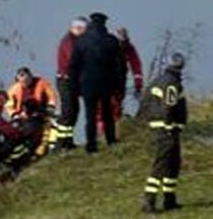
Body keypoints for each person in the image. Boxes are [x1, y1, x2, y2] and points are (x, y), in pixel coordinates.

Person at [69, 12, 125, 153]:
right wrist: (119, 85)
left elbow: (73, 66)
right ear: (104, 23)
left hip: (87, 84)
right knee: (108, 113)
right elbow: (120, 66)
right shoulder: (111, 41)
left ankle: (91, 145)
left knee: (90, 115)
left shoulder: (81, 41)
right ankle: (111, 140)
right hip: (107, 83)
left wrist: (74, 87)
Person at [139, 53, 188, 214]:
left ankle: (169, 198)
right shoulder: (172, 84)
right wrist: (169, 127)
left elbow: (146, 102)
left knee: (173, 163)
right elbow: (169, 107)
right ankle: (149, 200)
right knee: (162, 164)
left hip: (160, 125)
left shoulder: (159, 80)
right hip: (167, 129)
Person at [98, 27, 144, 138]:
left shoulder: (128, 48)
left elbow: (136, 64)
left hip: (119, 84)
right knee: (101, 111)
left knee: (116, 110)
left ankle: (113, 135)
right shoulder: (103, 47)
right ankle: (101, 136)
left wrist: (138, 82)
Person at [51, 17, 88, 151]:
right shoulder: (69, 42)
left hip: (73, 80)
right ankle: (60, 143)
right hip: (66, 80)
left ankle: (68, 141)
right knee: (68, 111)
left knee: (74, 110)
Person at [6, 67, 57, 158]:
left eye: (26, 80)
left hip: (41, 112)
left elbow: (51, 95)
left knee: (46, 131)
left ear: (30, 76)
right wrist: (15, 115)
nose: (25, 83)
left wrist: (50, 107)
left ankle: (41, 150)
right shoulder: (14, 89)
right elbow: (9, 105)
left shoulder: (42, 83)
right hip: (22, 115)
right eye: (22, 81)